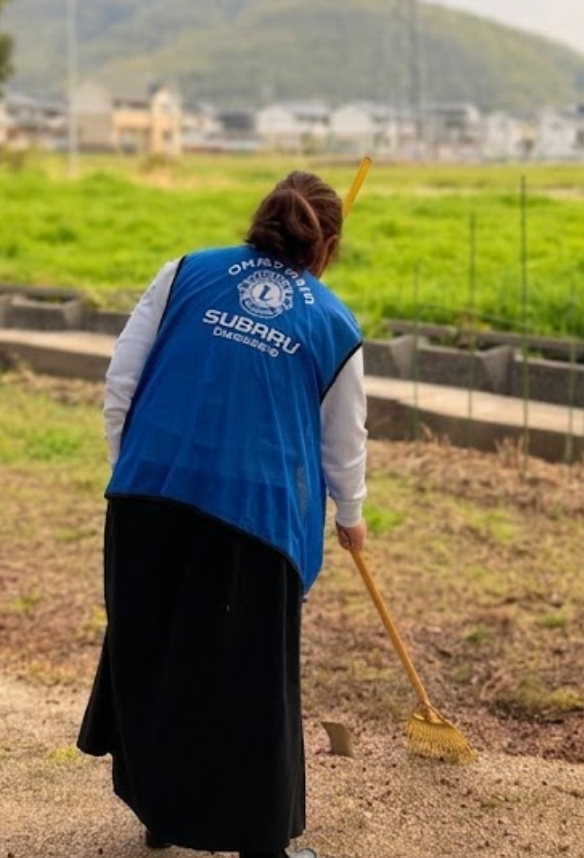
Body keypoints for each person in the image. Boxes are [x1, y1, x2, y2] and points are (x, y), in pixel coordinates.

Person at [77, 171, 369, 858]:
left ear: (260, 218)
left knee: (161, 654)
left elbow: (123, 378)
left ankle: (162, 814)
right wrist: (350, 513)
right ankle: (260, 842)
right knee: (249, 683)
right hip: (254, 520)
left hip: (149, 498)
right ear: (326, 246)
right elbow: (343, 439)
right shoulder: (332, 321)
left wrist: (137, 466)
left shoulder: (185, 272)